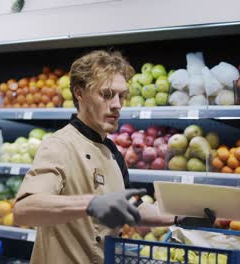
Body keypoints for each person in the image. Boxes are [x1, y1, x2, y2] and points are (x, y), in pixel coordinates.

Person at [13, 50, 211, 264]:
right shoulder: (59, 146)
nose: (117, 104)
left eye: (121, 95)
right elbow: (24, 209)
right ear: (79, 93)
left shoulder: (112, 151)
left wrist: (177, 217)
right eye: (107, 94)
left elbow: (133, 207)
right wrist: (91, 204)